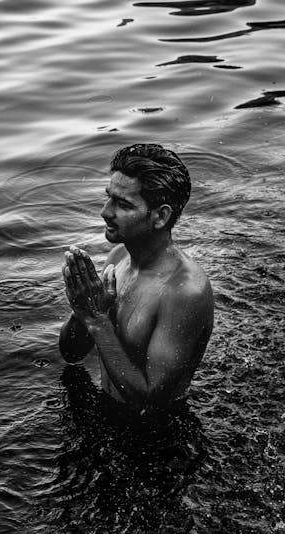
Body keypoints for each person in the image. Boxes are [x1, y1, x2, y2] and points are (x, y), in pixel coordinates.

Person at [59, 143, 214, 412]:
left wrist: (98, 321)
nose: (105, 212)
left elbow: (148, 399)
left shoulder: (185, 291)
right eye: (108, 198)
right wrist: (83, 312)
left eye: (123, 204)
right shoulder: (118, 258)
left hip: (154, 438)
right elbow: (71, 354)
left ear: (160, 216)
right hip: (105, 412)